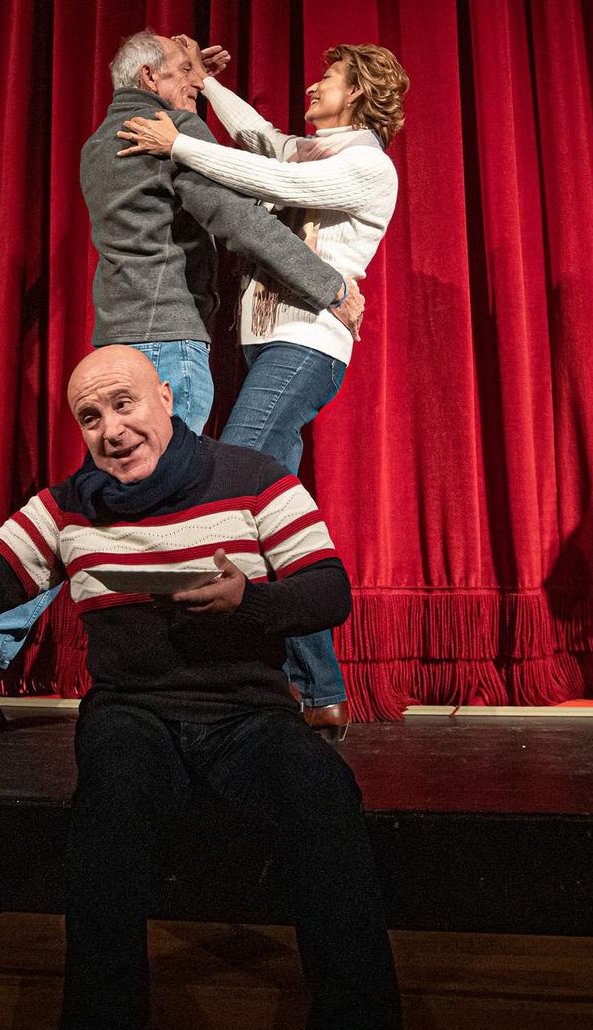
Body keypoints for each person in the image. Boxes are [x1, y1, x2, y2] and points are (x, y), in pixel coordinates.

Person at [0, 346, 400, 1028]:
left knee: (322, 792)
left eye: (123, 404)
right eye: (90, 416)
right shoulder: (66, 507)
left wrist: (249, 601)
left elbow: (328, 589)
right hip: (132, 713)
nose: (110, 428)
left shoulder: (254, 478)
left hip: (248, 714)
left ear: (165, 397)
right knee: (107, 816)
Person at [0, 30, 365, 731]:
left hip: (120, 337)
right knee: (148, 509)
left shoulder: (95, 144)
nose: (192, 89)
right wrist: (325, 283)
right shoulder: (167, 129)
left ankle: (32, 640)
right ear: (148, 76)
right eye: (182, 78)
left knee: (120, 499)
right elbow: (235, 216)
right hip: (167, 347)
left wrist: (196, 73)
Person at [115, 38, 409, 737]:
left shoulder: (369, 167)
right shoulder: (310, 148)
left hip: (309, 345)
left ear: (360, 92)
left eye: (329, 78)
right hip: (269, 346)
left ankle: (220, 669)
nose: (313, 84)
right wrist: (209, 89)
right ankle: (322, 687)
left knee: (235, 473)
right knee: (274, 511)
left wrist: (178, 144)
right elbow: (261, 139)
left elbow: (273, 181)